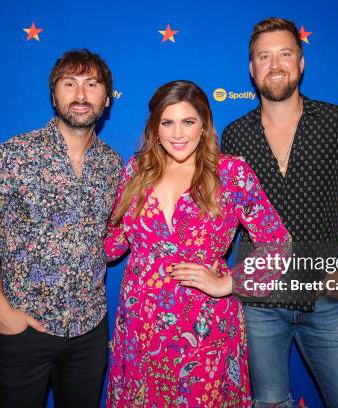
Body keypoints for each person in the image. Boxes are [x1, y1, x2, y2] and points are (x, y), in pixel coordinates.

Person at [104, 80, 291, 407]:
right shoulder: (135, 171)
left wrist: (228, 283)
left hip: (205, 326)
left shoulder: (231, 173)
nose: (178, 134)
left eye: (188, 122)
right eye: (167, 122)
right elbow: (112, 246)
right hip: (141, 326)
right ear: (155, 128)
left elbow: (277, 244)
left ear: (204, 126)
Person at [221, 18, 338, 408]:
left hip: (323, 296)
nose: (275, 65)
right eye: (264, 57)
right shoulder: (235, 134)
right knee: (270, 402)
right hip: (258, 304)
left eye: (284, 54)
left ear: (301, 63)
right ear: (252, 69)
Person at [0, 49, 122, 408]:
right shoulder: (14, 154)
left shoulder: (113, 164)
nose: (81, 96)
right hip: (24, 327)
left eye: (92, 85)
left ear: (107, 99)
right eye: (70, 84)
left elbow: (113, 235)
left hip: (89, 329)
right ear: (54, 96)